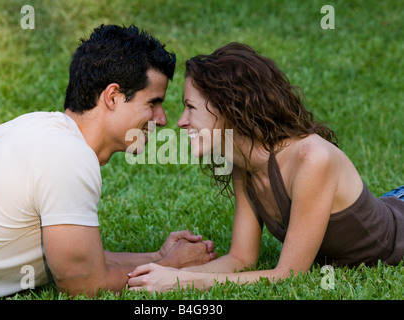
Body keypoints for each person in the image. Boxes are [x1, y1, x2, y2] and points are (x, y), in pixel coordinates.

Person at [0, 24, 216, 298]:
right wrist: (171, 266)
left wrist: (157, 255)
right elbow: (82, 285)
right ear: (113, 96)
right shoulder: (68, 156)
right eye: (152, 103)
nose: (161, 119)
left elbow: (83, 260)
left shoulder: (41, 128)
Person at [127, 42, 404, 292]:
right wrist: (167, 274)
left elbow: (289, 275)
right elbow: (241, 258)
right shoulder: (243, 165)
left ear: (227, 107)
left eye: (190, 107)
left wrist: (184, 283)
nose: (181, 122)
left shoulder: (312, 158)